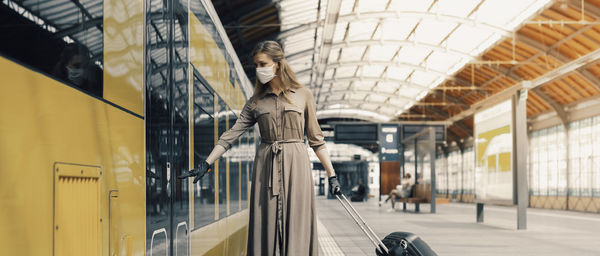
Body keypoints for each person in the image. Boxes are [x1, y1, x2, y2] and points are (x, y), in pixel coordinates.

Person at [178, 40, 340, 255]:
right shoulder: (256, 101)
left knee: (297, 222)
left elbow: (316, 139)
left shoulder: (303, 94)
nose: (258, 70)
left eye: (263, 64)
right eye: (256, 65)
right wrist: (206, 162)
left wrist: (332, 175)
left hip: (297, 166)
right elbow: (231, 135)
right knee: (265, 223)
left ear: (277, 63)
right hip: (266, 167)